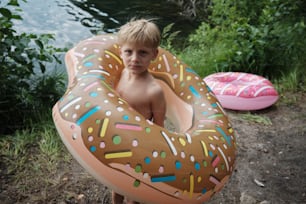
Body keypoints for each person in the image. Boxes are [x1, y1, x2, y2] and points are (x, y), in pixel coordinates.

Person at [113, 19, 167, 204]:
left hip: (138, 145)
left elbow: (159, 126)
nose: (134, 59)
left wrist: (155, 153)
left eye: (143, 53)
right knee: (115, 181)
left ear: (154, 54)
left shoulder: (154, 91)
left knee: (134, 188)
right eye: (129, 52)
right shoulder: (120, 73)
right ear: (120, 51)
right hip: (116, 137)